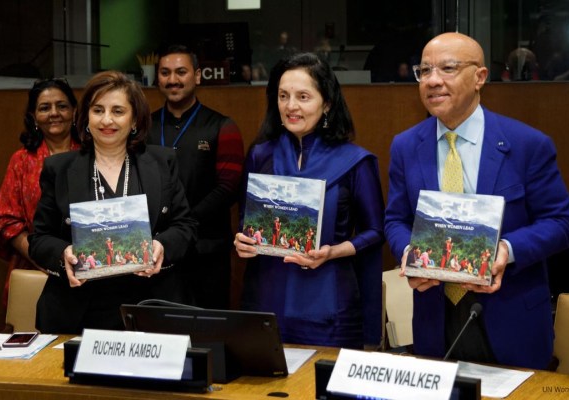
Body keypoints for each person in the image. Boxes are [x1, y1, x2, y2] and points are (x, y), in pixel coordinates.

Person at [384, 32, 569, 369]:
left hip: (511, 317)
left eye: (447, 68)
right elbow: (396, 220)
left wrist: (506, 250)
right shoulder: (405, 146)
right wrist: (408, 252)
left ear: (479, 77)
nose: (432, 81)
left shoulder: (527, 144)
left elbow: (561, 223)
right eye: (424, 71)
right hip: (435, 316)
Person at [234, 53, 385, 349]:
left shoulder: (356, 161)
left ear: (326, 102)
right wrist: (242, 240)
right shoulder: (260, 156)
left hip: (329, 304)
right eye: (283, 96)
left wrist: (332, 252)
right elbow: (245, 221)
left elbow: (376, 232)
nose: (291, 106)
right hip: (267, 298)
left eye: (303, 96)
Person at [28, 71, 197, 334]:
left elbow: (185, 226)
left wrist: (161, 245)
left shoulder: (162, 163)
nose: (107, 120)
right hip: (79, 309)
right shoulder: (59, 169)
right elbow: (39, 239)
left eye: (118, 111)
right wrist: (64, 255)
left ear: (134, 120)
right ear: (86, 118)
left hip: (150, 304)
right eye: (98, 110)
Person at [148, 44, 244, 309]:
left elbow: (228, 188)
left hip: (207, 251)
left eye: (181, 72)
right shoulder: (144, 126)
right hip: (157, 252)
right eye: (165, 73)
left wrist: (184, 224)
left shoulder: (222, 126)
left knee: (209, 333)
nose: (173, 80)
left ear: (197, 76)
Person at [0, 78, 81, 305]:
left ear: (74, 111)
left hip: (89, 267)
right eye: (45, 107)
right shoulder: (21, 161)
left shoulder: (92, 156)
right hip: (35, 269)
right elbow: (6, 222)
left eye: (62, 106)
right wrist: (46, 258)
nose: (54, 113)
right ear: (33, 116)